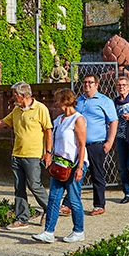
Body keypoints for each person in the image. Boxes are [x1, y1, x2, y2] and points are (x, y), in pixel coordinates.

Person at [0, 81, 52, 229]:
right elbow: (3, 123)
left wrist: (48, 152)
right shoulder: (17, 110)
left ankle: (50, 209)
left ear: (23, 95)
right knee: (19, 187)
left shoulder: (40, 108)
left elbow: (48, 131)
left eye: (15, 95)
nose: (13, 98)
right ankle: (22, 218)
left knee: (34, 185)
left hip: (33, 154)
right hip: (17, 153)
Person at [32, 88, 88, 243]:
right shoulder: (58, 120)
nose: (55, 103)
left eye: (58, 100)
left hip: (74, 163)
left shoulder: (78, 119)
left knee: (74, 199)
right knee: (54, 199)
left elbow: (82, 145)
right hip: (59, 164)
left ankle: (78, 230)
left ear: (65, 100)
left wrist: (80, 167)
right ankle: (48, 231)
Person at [75, 73, 118, 215]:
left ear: (96, 85)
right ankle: (70, 203)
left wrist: (110, 141)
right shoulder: (78, 101)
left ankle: (99, 204)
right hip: (79, 145)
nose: (87, 85)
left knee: (97, 175)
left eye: (90, 82)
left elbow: (113, 121)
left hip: (96, 144)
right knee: (75, 173)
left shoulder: (105, 101)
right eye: (85, 82)